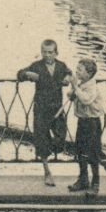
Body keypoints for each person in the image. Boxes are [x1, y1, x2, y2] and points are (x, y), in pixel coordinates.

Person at [18, 39, 73, 188]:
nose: (47, 55)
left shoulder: (61, 66)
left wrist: (68, 77)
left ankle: (53, 149)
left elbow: (69, 72)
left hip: (57, 109)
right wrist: (28, 74)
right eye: (44, 52)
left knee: (61, 137)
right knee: (42, 139)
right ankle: (46, 171)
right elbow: (20, 74)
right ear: (41, 52)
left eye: (50, 52)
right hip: (41, 109)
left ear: (56, 53)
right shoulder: (37, 66)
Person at [69, 58, 105, 195]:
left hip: (92, 123)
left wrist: (76, 88)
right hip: (82, 121)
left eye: (79, 69)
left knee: (92, 152)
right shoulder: (81, 83)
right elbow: (71, 96)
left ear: (89, 73)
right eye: (77, 68)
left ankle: (95, 182)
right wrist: (73, 89)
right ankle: (83, 179)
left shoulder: (92, 86)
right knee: (80, 150)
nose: (76, 71)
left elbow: (86, 99)